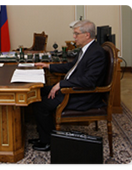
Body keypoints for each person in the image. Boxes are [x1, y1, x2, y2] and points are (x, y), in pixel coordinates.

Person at [29, 20, 107, 151]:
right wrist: (48, 66)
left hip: (81, 95)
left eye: (76, 34)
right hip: (70, 88)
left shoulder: (96, 53)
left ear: (87, 35)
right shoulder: (85, 50)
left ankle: (49, 141)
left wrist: (61, 84)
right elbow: (72, 67)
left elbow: (89, 81)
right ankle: (43, 136)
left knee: (40, 105)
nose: (74, 37)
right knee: (37, 91)